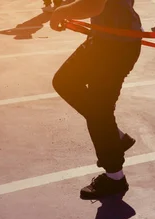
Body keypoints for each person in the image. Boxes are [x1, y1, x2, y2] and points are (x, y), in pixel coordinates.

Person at [49, 0, 142, 200]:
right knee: (65, 82)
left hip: (114, 47)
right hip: (107, 40)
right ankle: (114, 136)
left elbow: (93, 5)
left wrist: (60, 11)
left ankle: (115, 178)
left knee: (99, 112)